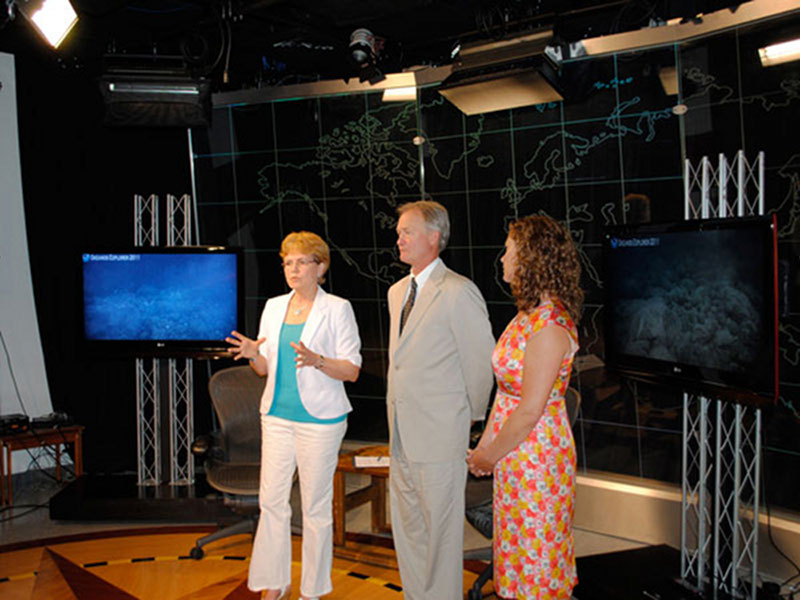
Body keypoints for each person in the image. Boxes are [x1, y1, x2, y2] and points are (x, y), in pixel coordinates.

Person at [227, 231, 362, 600]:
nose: (293, 269)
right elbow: (264, 369)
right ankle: (276, 582)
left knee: (315, 508)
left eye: (302, 261)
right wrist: (254, 353)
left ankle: (313, 591)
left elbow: (351, 370)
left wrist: (317, 360)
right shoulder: (273, 306)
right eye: (288, 262)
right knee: (272, 501)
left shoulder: (338, 308)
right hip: (276, 416)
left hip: (320, 421)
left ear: (320, 266)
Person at [466, 214, 583, 600]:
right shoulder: (526, 316)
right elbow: (506, 393)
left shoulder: (549, 326)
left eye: (509, 251)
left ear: (531, 259)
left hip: (536, 456)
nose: (502, 258)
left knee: (537, 556)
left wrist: (488, 456)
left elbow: (531, 409)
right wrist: (487, 445)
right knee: (517, 552)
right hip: (515, 453)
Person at [386, 200, 495, 600]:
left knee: (441, 540)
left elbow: (481, 367)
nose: (399, 238)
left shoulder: (459, 292)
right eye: (399, 231)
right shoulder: (398, 292)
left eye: (407, 231)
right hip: (401, 436)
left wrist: (467, 418)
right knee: (410, 531)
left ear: (434, 237)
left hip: (441, 436)